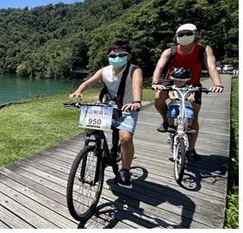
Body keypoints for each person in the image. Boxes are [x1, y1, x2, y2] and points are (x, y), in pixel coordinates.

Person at [69, 39, 144, 186]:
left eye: (121, 55)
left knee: (125, 138)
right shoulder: (104, 71)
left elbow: (137, 86)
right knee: (89, 125)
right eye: (113, 56)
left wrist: (136, 102)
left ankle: (125, 171)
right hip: (108, 107)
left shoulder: (134, 70)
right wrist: (78, 91)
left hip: (127, 108)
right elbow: (88, 82)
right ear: (108, 57)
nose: (116, 58)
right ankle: (101, 149)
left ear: (129, 56)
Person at [151, 23, 224, 159]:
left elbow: (211, 67)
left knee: (194, 116)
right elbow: (159, 67)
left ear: (196, 34)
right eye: (181, 35)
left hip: (193, 82)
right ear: (176, 37)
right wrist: (156, 82)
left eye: (188, 34)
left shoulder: (203, 49)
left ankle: (191, 149)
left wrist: (217, 84)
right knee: (158, 97)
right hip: (172, 80)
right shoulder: (170, 51)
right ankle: (166, 120)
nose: (185, 37)